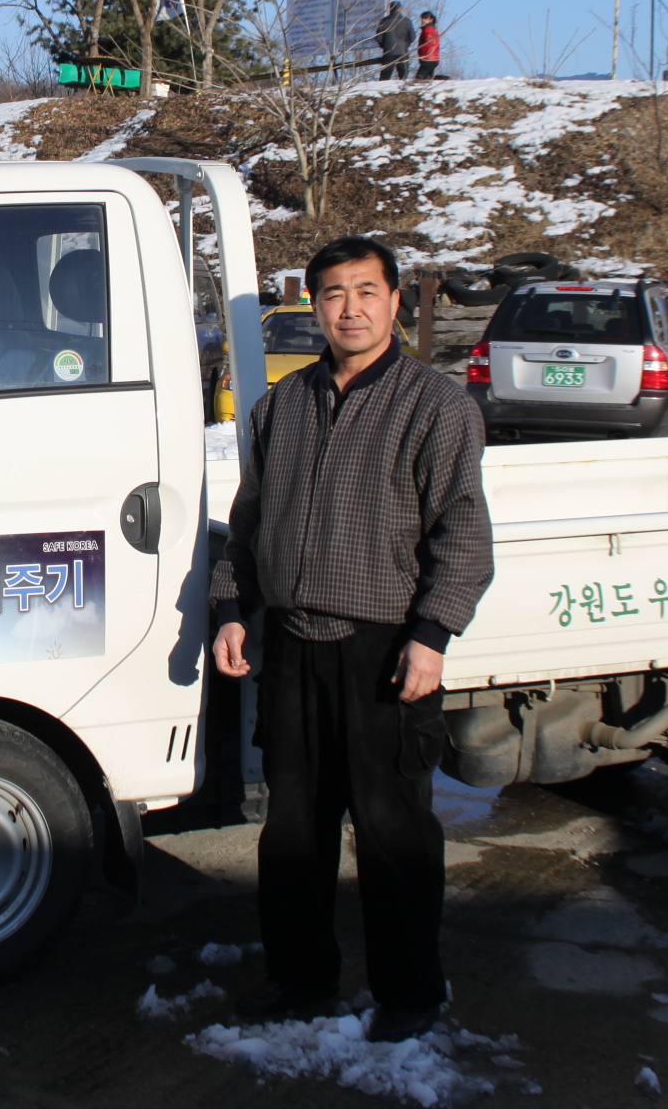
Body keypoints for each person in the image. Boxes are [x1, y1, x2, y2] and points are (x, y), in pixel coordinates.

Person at [211, 235, 492, 1043]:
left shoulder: (435, 405)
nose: (351, 309)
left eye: (367, 291)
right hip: (294, 647)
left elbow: (464, 535)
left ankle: (408, 991)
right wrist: (232, 609)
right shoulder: (281, 406)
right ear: (314, 305)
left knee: (393, 829)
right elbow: (247, 524)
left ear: (395, 302)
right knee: (293, 831)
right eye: (333, 293)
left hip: (386, 650)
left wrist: (432, 635)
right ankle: (299, 978)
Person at [374, 1, 415, 81]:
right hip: (403, 51)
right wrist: (406, 45)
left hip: (388, 51)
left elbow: (378, 37)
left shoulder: (384, 21)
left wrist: (385, 45)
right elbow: (412, 37)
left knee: (384, 78)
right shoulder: (407, 21)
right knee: (403, 78)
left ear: (390, 9)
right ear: (400, 9)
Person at [414, 11, 442, 81]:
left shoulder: (428, 28)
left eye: (426, 18)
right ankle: (445, 80)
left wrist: (423, 54)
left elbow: (428, 41)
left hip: (428, 58)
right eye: (422, 18)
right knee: (428, 79)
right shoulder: (433, 29)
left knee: (419, 78)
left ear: (431, 19)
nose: (423, 20)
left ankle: (446, 79)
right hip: (434, 58)